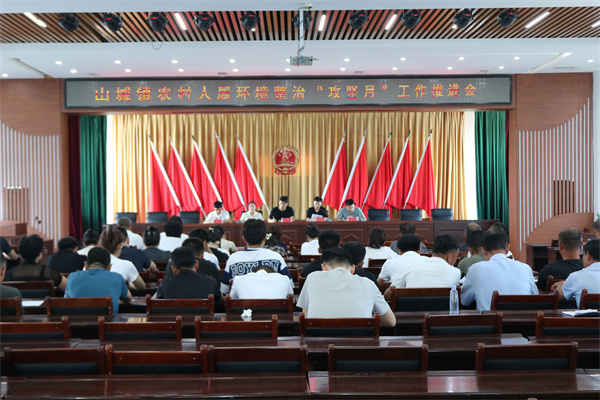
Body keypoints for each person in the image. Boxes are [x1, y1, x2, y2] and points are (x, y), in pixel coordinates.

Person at [297, 248, 396, 327]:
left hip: (318, 343)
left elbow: (306, 317)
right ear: (353, 269)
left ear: (324, 267)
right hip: (360, 344)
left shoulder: (312, 278)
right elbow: (391, 322)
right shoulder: (368, 284)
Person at [461, 231, 537, 311]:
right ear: (507, 248)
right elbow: (535, 298)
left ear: (484, 251)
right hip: (523, 319)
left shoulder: (476, 269)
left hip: (490, 319)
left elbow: (464, 301)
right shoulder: (526, 268)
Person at [221, 219, 292, 295]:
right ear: (265, 238)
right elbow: (290, 286)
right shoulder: (277, 257)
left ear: (243, 239)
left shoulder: (233, 259)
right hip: (274, 301)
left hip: (243, 302)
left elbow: (224, 289)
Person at [65, 247, 131, 314]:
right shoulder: (117, 277)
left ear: (86, 265)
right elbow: (129, 298)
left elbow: (65, 301)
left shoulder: (72, 277)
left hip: (77, 320)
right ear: (109, 267)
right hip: (107, 320)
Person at [155, 246, 221, 301]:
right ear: (196, 264)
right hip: (202, 313)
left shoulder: (166, 283)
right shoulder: (210, 281)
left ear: (174, 269)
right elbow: (221, 301)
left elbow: (154, 301)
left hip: (173, 313)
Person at [552, 239, 600, 307]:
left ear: (588, 255)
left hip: (587, 314)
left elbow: (559, 296)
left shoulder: (575, 277)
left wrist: (562, 284)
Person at [100, 227, 145, 291]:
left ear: (101, 245)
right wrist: (129, 285)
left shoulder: (93, 264)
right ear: (120, 245)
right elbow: (142, 287)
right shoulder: (127, 265)